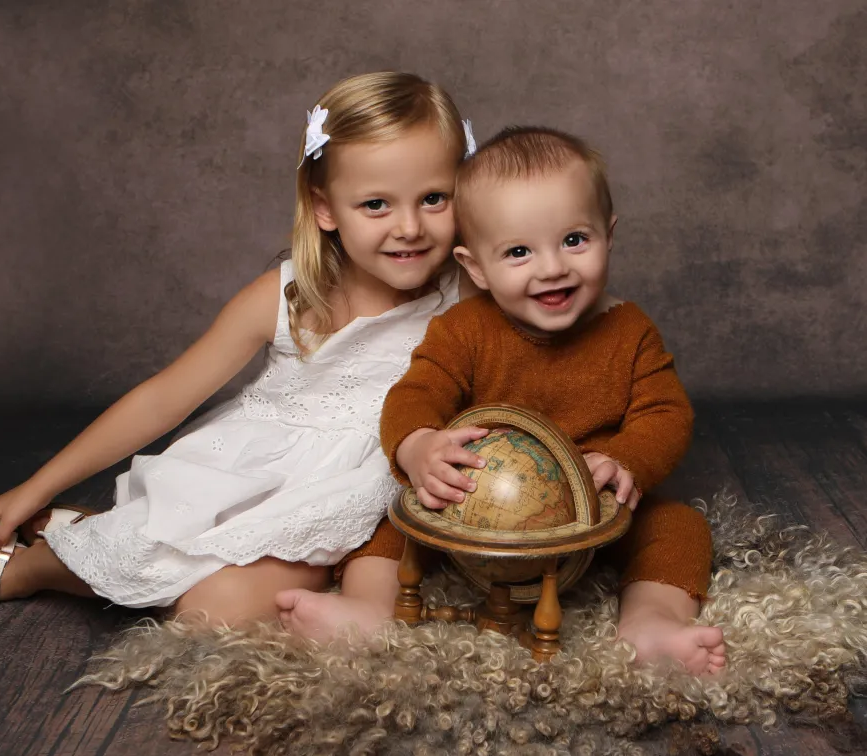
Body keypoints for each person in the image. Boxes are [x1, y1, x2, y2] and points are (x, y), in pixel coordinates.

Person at [0, 72, 473, 627]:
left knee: (216, 614)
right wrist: (37, 486)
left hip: (376, 492)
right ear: (324, 208)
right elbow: (162, 399)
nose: (409, 228)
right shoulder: (286, 296)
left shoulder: (470, 293)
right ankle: (32, 566)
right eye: (376, 204)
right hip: (265, 477)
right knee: (194, 595)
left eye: (433, 199)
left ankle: (103, 543)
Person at [277, 126, 727, 675]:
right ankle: (368, 608)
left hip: (591, 517)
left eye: (574, 240)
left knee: (677, 526)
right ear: (475, 268)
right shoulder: (463, 331)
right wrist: (419, 446)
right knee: (389, 518)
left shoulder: (630, 332)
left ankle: (652, 621)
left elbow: (666, 413)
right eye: (518, 252)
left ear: (609, 235)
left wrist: (628, 460)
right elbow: (417, 392)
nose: (552, 267)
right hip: (476, 516)